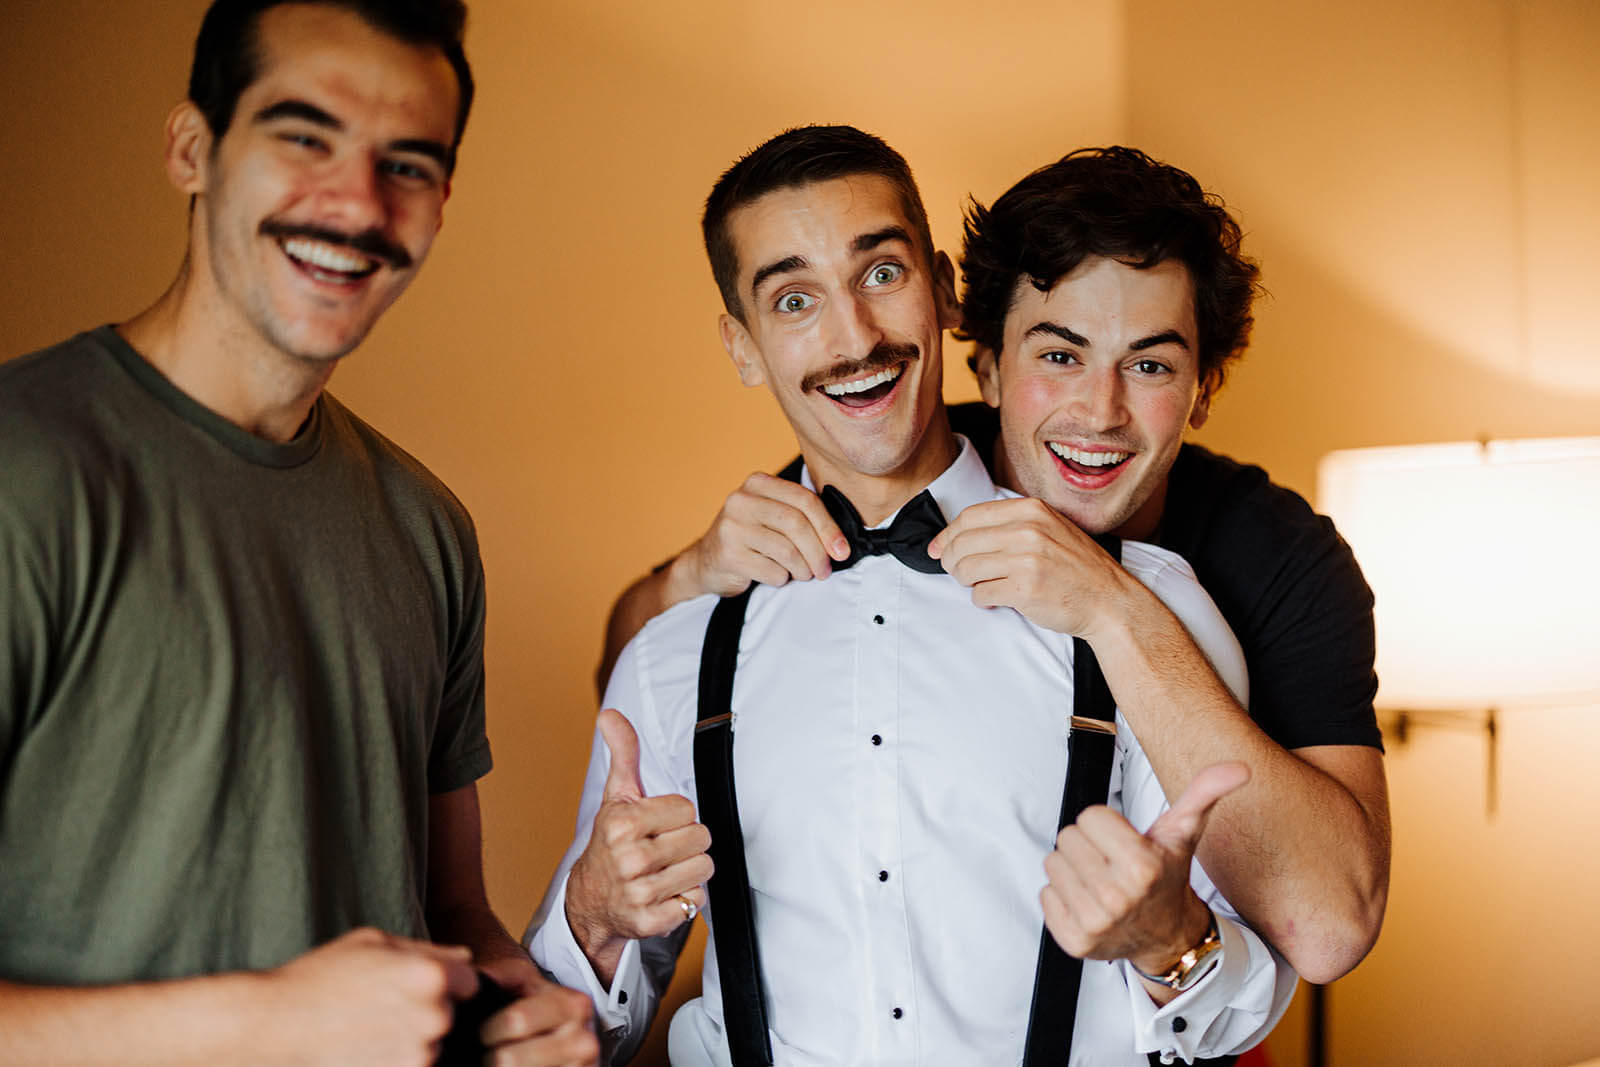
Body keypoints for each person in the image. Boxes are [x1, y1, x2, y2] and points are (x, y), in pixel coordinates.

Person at [528, 125, 1295, 1065]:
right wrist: (594, 915)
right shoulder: (673, 655)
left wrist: (1174, 940)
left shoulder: (1145, 606)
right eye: (796, 298)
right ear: (743, 345)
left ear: (940, 288)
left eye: (880, 274)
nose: (853, 336)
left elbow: (1249, 1005)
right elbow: (561, 1035)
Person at [0, 2, 595, 1064]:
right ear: (194, 149)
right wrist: (267, 1023)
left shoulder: (430, 529)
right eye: (303, 136)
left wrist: (518, 999)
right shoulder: (21, 468)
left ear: (440, 205)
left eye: (406, 164)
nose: (357, 203)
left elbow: (450, 913)